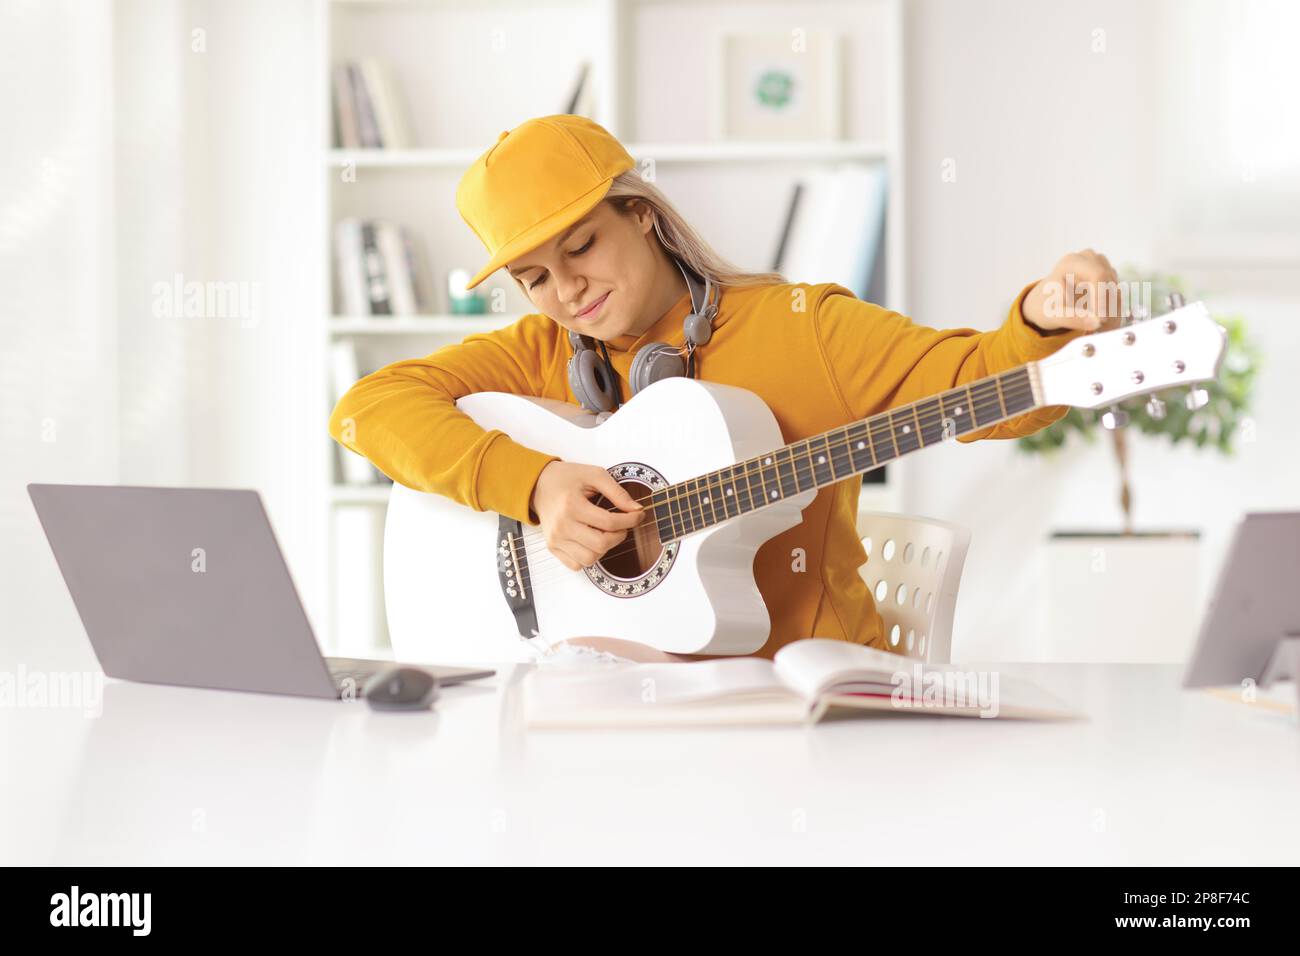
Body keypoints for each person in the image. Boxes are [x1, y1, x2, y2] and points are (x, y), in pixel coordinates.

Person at [329, 114, 1121, 660]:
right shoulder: (544, 353)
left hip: (807, 710)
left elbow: (983, 387)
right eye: (535, 277)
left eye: (581, 245)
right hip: (631, 723)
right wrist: (533, 485)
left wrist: (1049, 325)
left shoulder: (801, 327)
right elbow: (364, 411)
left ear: (641, 215)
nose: (567, 290)